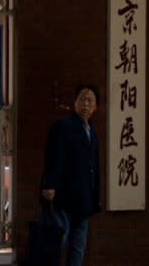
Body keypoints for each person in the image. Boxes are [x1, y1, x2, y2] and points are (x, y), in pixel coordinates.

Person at [41, 84, 102, 266]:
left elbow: (95, 168)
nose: (85, 104)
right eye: (82, 99)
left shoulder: (92, 133)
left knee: (78, 246)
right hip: (63, 198)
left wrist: (95, 197)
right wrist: (50, 185)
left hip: (84, 201)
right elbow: (54, 157)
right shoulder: (63, 126)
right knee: (57, 241)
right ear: (74, 103)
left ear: (95, 107)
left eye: (90, 100)